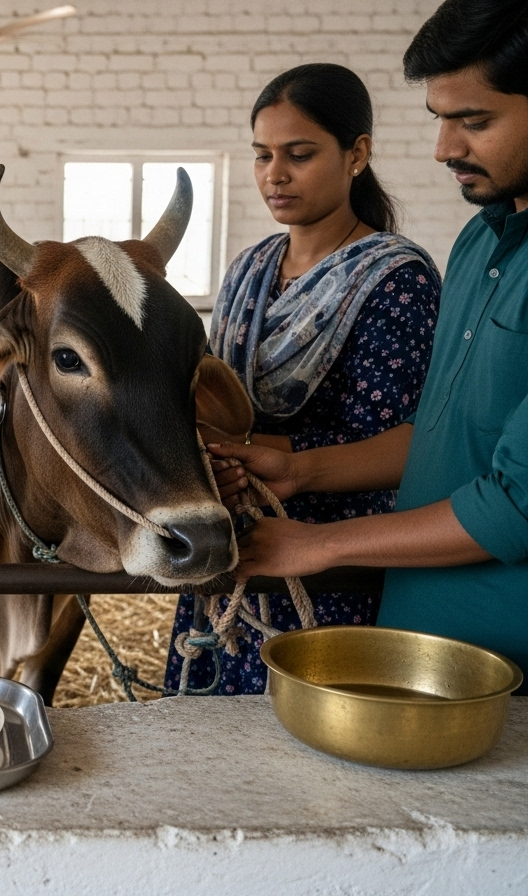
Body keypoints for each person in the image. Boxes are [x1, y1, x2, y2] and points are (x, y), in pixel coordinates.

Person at [213, 0, 528, 685]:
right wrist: (278, 470)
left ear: (356, 155)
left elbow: (510, 502)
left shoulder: (398, 276)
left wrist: (317, 539)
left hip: (468, 642)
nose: (445, 148)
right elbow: (439, 438)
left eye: (474, 121)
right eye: (441, 120)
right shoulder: (481, 242)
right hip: (403, 615)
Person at [165, 64, 442, 694]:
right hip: (236, 527)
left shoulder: (397, 279)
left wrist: (267, 457)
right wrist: (217, 453)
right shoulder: (249, 268)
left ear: (357, 155)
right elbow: (211, 393)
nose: (275, 175)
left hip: (330, 550)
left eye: (299, 154)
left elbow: (404, 446)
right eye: (262, 155)